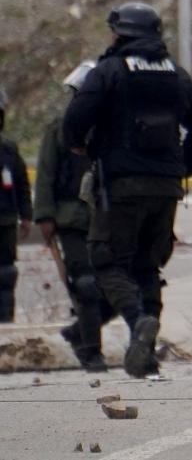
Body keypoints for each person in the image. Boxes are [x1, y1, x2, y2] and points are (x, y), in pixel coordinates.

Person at [62, 2, 192, 377]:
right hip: (166, 188)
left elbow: (76, 117)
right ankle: (143, 351)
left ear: (121, 33)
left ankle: (138, 321)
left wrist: (79, 144)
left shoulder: (109, 71)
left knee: (108, 260)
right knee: (148, 264)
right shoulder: (176, 75)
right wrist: (183, 167)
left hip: (122, 184)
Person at [34, 62, 112, 370]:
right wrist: (44, 216)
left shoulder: (112, 127)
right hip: (72, 219)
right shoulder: (60, 128)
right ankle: (91, 350)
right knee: (86, 285)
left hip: (107, 217)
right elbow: (46, 174)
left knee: (120, 286)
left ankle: (79, 332)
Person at [0, 88, 32, 323]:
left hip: (5, 220)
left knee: (5, 274)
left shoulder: (8, 149)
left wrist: (26, 215)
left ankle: (5, 325)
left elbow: (21, 183)